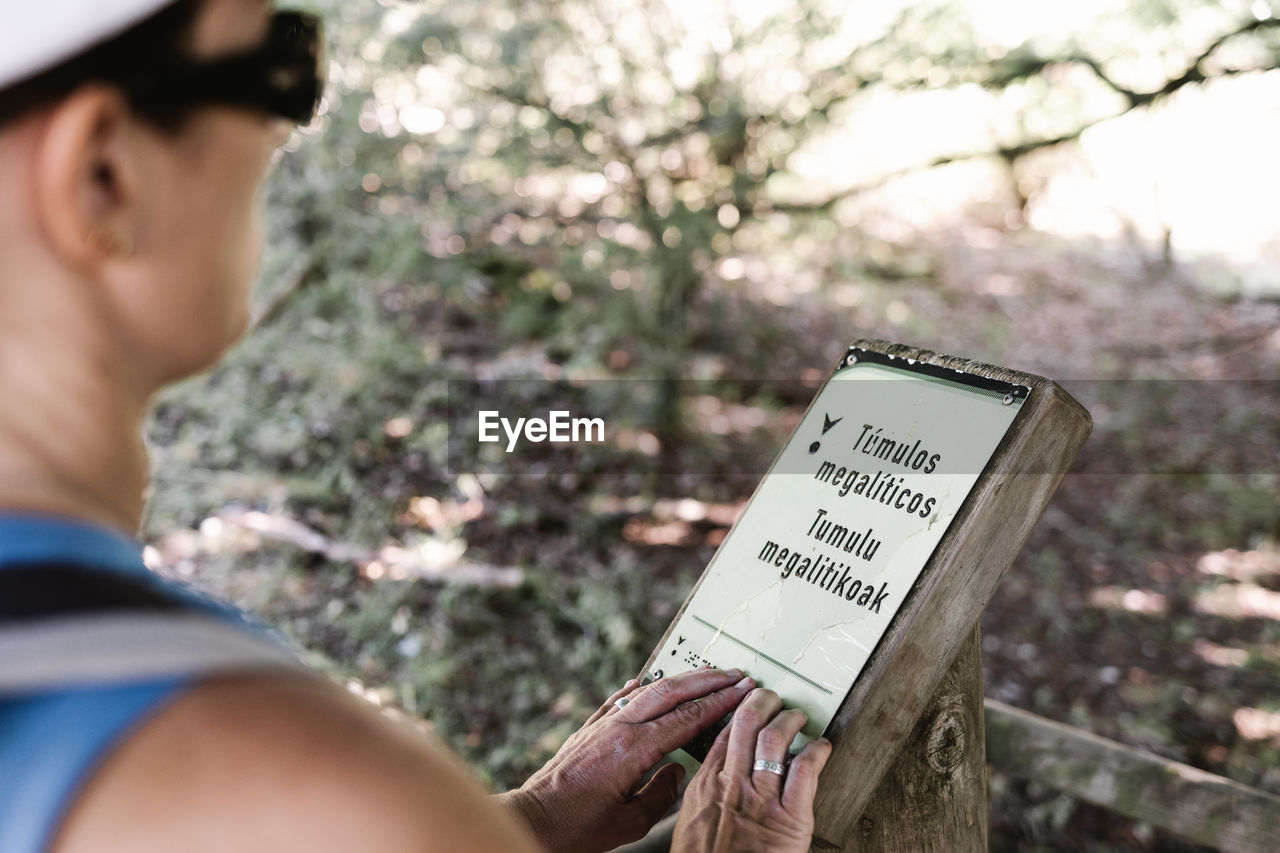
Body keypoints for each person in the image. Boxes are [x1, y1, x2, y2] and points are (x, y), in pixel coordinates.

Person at [0, 1, 833, 851]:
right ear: (102, 169)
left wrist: (535, 821)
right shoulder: (274, 774)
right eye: (279, 69)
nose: (282, 134)